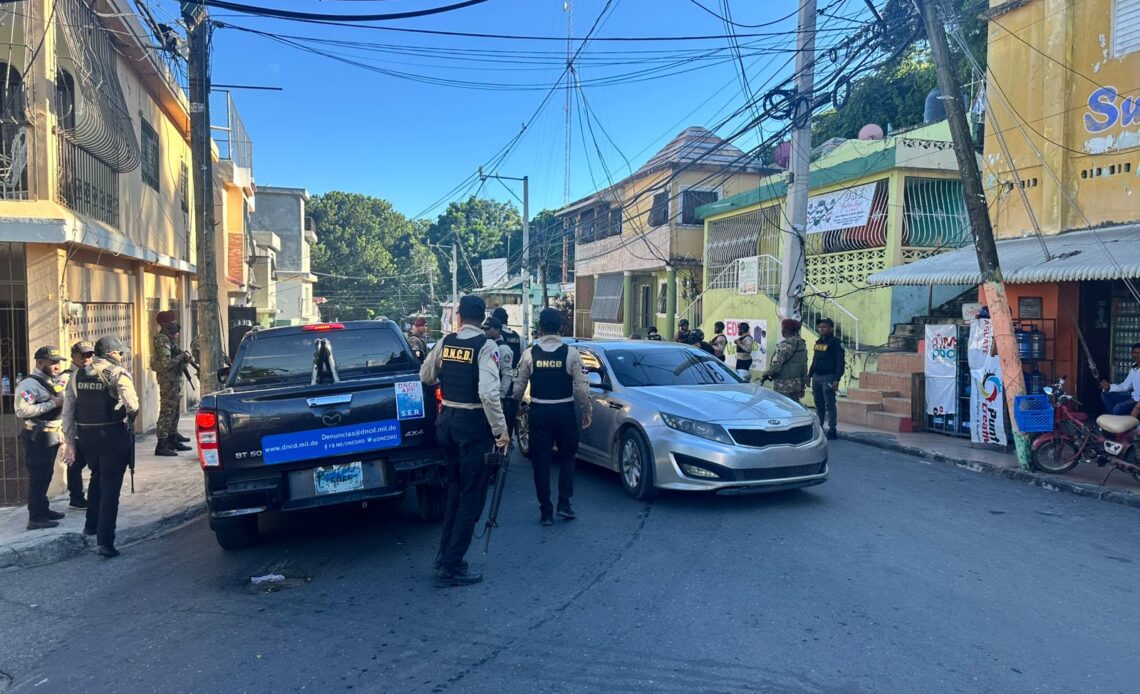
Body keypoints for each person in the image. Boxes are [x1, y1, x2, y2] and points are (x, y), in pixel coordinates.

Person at [420, 295, 509, 588]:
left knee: (455, 492)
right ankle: (451, 566)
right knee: (471, 496)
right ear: (482, 318)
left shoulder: (445, 343)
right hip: (472, 427)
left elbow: (426, 375)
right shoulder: (486, 346)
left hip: (447, 424)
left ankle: (444, 556)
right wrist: (501, 431)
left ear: (459, 317)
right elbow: (488, 393)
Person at [511, 307, 592, 526]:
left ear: (540, 329)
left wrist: (513, 411)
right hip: (564, 411)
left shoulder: (530, 353)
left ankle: (545, 511)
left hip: (539, 412)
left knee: (541, 462)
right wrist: (587, 411)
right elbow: (582, 388)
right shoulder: (571, 353)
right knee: (567, 457)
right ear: (561, 328)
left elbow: (518, 389)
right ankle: (564, 504)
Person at [62, 336, 139, 557]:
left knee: (97, 479)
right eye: (119, 352)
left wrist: (70, 442)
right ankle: (105, 542)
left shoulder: (76, 375)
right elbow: (132, 404)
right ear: (111, 354)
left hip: (87, 438)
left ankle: (91, 525)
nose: (121, 356)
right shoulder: (116, 373)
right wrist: (128, 416)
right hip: (111, 436)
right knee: (110, 489)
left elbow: (68, 412)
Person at [15, 346, 67, 530]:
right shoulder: (29, 384)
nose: (56, 366)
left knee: (46, 475)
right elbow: (22, 410)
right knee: (38, 477)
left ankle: (43, 509)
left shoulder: (51, 381)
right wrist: (52, 403)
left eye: (58, 362)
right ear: (40, 362)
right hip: (37, 436)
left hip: (51, 434)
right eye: (52, 363)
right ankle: (36, 517)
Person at [57, 341, 95, 510]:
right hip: (74, 427)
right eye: (82, 355)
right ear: (73, 356)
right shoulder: (67, 376)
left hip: (87, 426)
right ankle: (76, 497)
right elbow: (63, 402)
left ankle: (80, 496)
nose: (86, 358)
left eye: (89, 355)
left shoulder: (91, 373)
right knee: (75, 464)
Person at [151, 311, 192, 457]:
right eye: (171, 323)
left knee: (174, 411)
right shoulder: (162, 340)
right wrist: (181, 356)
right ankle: (161, 444)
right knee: (167, 412)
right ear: (163, 324)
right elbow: (166, 363)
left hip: (174, 380)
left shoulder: (169, 339)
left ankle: (172, 438)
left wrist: (185, 358)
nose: (174, 325)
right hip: (168, 381)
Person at [808, 318, 845, 439]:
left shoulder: (836, 343)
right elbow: (815, 360)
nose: (821, 329)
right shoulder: (818, 342)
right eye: (820, 327)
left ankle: (832, 429)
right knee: (819, 404)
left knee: (830, 404)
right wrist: (809, 375)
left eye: (824, 327)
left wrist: (836, 379)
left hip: (829, 377)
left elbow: (840, 363)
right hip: (816, 376)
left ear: (831, 329)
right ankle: (819, 428)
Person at [482, 315, 516, 432]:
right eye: (484, 329)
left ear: (497, 330)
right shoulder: (486, 345)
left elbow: (507, 374)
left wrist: (501, 396)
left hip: (498, 397)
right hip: (487, 395)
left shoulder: (503, 349)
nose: (485, 331)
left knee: (498, 432)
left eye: (488, 329)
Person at [761, 319, 809, 401]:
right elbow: (804, 366)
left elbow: (776, 367)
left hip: (783, 386)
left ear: (785, 330)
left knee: (781, 406)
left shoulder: (784, 345)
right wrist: (803, 386)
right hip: (797, 385)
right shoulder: (802, 344)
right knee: (793, 406)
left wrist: (766, 373)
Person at [1100, 343, 1140, 416]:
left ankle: (1116, 419)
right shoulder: (1134, 367)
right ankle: (1113, 418)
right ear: (1131, 354)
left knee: (1118, 408)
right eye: (1135, 352)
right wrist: (1109, 387)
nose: (1137, 355)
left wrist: (1133, 401)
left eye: (1139, 353)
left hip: (1137, 401)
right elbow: (1125, 386)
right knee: (1105, 394)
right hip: (1132, 396)